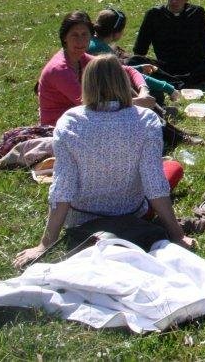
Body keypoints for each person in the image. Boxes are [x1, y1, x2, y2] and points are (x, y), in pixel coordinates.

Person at [14, 55, 194, 269]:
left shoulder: (70, 121)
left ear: (86, 83)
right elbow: (154, 184)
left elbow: (63, 186)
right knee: (172, 168)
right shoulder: (146, 120)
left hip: (81, 219)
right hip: (131, 213)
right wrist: (177, 236)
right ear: (123, 82)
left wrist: (46, 243)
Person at [38, 11, 154, 127]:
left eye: (84, 34)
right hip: (59, 129)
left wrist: (144, 91)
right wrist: (136, 103)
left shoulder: (82, 58)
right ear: (64, 38)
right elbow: (90, 106)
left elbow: (127, 70)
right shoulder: (59, 69)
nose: (80, 41)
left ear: (91, 36)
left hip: (83, 122)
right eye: (75, 35)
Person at [91, 8, 179, 104]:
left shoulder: (92, 42)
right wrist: (167, 87)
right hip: (102, 96)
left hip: (95, 90)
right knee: (156, 93)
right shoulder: (104, 52)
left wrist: (140, 68)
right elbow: (124, 75)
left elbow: (121, 70)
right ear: (116, 32)